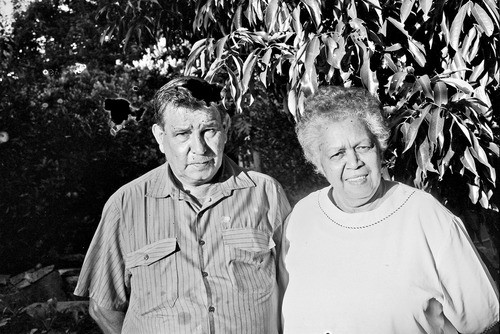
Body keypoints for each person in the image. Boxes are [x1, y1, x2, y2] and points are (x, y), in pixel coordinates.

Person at [74, 76, 291, 334]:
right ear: (160, 136)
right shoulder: (126, 204)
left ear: (226, 127)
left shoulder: (266, 193)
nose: (199, 148)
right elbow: (103, 306)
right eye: (182, 134)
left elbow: (296, 288)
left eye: (209, 130)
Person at [282, 86, 499, 334]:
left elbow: (485, 324)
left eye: (363, 147)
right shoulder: (302, 217)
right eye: (337, 153)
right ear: (318, 162)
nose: (354, 163)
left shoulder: (425, 216)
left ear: (379, 146)